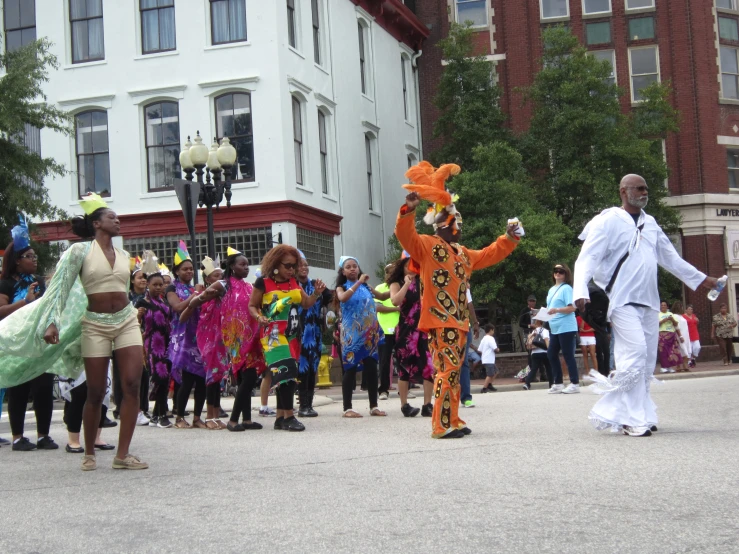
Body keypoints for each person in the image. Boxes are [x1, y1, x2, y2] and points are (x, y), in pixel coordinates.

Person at [0, 194, 149, 469]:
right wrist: (52, 322)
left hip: (126, 320)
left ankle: (122, 455)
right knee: (94, 391)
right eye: (111, 217)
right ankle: (89, 452)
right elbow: (60, 289)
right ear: (96, 224)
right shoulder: (79, 252)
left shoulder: (125, 255)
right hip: (95, 324)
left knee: (131, 385)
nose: (117, 220)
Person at [574, 174, 717, 437]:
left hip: (650, 301)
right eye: (639, 188)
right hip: (621, 301)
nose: (644, 192)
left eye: (646, 188)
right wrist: (580, 290)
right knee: (635, 353)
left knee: (648, 360)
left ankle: (640, 414)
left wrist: (702, 280)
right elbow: (587, 258)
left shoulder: (650, 223)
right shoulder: (607, 221)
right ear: (623, 192)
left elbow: (671, 259)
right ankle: (629, 417)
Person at [395, 161, 520, 438]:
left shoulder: (462, 253)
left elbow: (489, 254)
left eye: (458, 219)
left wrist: (508, 239)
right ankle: (440, 425)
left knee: (451, 372)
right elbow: (405, 235)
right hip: (440, 321)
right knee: (447, 371)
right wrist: (409, 210)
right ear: (441, 223)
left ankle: (453, 418)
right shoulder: (427, 246)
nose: (458, 223)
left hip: (458, 322)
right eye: (453, 218)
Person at [184, 249, 266, 432]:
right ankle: (233, 420)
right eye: (241, 264)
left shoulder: (248, 286)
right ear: (231, 266)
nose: (245, 268)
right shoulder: (223, 285)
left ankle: (246, 419)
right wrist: (186, 310)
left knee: (248, 377)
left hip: (251, 336)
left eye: (247, 264)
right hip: (234, 338)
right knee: (245, 377)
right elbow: (201, 299)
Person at [249, 244, 327, 431]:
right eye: (287, 266)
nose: (292, 270)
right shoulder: (263, 283)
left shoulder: (294, 283)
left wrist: (316, 293)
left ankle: (280, 418)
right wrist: (259, 317)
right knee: (286, 372)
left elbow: (306, 303)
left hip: (292, 335)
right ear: (276, 264)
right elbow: (252, 305)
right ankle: (290, 417)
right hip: (273, 335)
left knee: (288, 376)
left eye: (294, 266)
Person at [0, 218, 56, 451]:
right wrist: (25, 301)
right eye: (30, 256)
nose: (35, 259)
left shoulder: (41, 281)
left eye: (35, 256)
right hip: (17, 344)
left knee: (44, 388)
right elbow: (1, 312)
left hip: (40, 341)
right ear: (17, 261)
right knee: (19, 389)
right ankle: (17, 437)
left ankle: (43, 435)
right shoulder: (5, 284)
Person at [334, 256, 387, 418]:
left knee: (372, 368)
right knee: (350, 369)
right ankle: (347, 408)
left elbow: (383, 297)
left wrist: (403, 283)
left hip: (369, 334)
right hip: (351, 335)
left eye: (354, 266)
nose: (352, 269)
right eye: (348, 267)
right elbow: (343, 298)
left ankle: (373, 406)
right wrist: (358, 283)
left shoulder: (366, 287)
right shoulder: (341, 287)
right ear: (343, 271)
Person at [166, 241, 207, 429]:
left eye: (191, 269)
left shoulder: (193, 289)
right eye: (185, 269)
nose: (189, 272)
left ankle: (197, 417)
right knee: (187, 380)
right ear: (176, 271)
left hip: (198, 337)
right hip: (183, 339)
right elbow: (178, 307)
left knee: (201, 380)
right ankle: (180, 416)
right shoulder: (172, 289)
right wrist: (195, 296)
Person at [387, 256, 434, 417]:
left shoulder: (423, 281)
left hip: (424, 330)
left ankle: (428, 404)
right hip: (406, 331)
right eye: (410, 265)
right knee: (404, 367)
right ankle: (404, 404)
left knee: (429, 366)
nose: (413, 268)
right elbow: (394, 301)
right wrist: (407, 283)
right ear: (403, 266)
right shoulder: (397, 283)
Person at [296, 254, 333, 417]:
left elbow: (329, 302)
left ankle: (309, 404)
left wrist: (324, 292)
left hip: (315, 332)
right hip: (298, 332)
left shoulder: (314, 285)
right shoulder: (291, 286)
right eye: (300, 265)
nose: (304, 268)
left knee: (312, 368)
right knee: (301, 368)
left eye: (306, 265)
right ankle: (302, 405)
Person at [138, 257, 174, 428]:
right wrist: (138, 315)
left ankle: (155, 415)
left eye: (161, 284)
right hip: (152, 344)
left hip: (166, 344)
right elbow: (136, 322)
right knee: (160, 378)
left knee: (165, 380)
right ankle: (161, 415)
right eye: (155, 285)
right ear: (148, 285)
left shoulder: (163, 301)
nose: (159, 287)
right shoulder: (142, 302)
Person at [60, 369, 115, 452]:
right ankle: (73, 440)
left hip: (99, 357)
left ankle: (96, 438)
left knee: (101, 395)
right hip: (76, 361)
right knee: (78, 394)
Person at [546, 264, 580, 394]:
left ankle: (574, 383)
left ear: (566, 274)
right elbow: (550, 309)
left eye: (561, 271)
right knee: (551, 354)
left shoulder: (566, 289)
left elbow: (572, 308)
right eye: (556, 271)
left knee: (567, 354)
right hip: (555, 327)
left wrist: (557, 310)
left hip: (566, 326)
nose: (558, 273)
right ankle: (558, 383)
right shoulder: (551, 290)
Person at [375, 263, 400, 401]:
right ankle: (383, 390)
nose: (389, 274)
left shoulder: (400, 287)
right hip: (384, 330)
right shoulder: (380, 288)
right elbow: (377, 307)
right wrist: (396, 309)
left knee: (403, 359)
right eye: (387, 272)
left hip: (399, 329)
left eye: (392, 272)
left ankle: (404, 390)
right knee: (384, 361)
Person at [459, 288, 481, 409]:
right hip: (447, 327)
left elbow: (469, 303)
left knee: (463, 362)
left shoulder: (463, 283)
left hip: (463, 328)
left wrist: (475, 323)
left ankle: (466, 397)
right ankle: (447, 396)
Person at [523, 318, 551, 390]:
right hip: (544, 352)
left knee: (534, 369)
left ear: (536, 323)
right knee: (548, 368)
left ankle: (527, 383)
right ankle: (552, 384)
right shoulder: (545, 331)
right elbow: (546, 340)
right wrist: (549, 350)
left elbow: (528, 342)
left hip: (535, 353)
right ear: (542, 323)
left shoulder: (533, 332)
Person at [657, 301, 683, 374]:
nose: (663, 307)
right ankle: (663, 367)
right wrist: (663, 320)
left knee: (671, 351)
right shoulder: (658, 314)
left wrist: (672, 319)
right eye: (662, 305)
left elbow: (676, 324)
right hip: (662, 334)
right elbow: (655, 324)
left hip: (671, 334)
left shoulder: (670, 314)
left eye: (664, 305)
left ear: (667, 307)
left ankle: (670, 367)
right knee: (663, 351)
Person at [478, 324, 500, 393]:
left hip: (486, 359)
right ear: (491, 330)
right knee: (490, 374)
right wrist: (498, 349)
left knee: (496, 372)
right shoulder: (490, 338)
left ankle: (489, 384)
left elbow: (479, 350)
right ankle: (484, 388)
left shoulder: (483, 339)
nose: (493, 332)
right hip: (489, 359)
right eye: (493, 330)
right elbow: (495, 348)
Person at [671, 301, 691, 372]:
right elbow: (676, 326)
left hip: (685, 335)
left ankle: (684, 365)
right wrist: (680, 336)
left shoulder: (681, 316)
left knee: (685, 349)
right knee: (681, 349)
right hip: (680, 335)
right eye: (681, 307)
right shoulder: (674, 316)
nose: (682, 308)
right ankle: (679, 366)